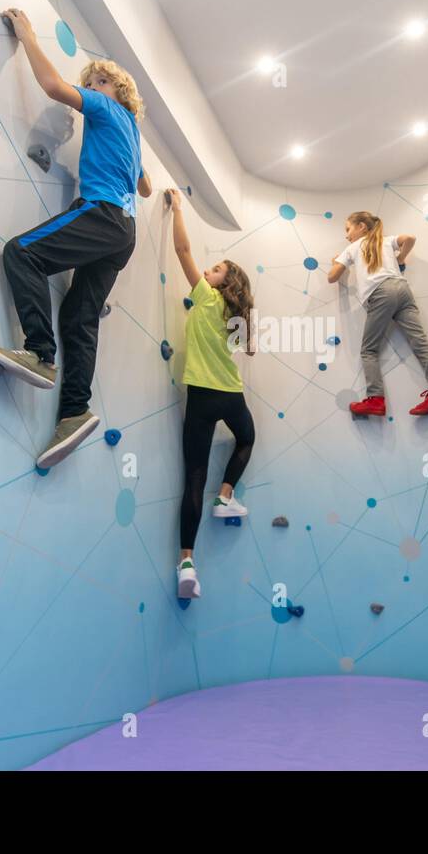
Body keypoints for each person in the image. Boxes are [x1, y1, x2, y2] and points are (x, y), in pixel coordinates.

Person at [0, 7, 152, 468]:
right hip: (124, 233)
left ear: (117, 91)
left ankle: (39, 354)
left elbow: (55, 87)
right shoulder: (132, 130)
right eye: (92, 82)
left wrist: (29, 36)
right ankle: (74, 410)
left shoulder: (105, 107)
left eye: (98, 81)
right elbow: (146, 186)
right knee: (81, 317)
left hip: (101, 214)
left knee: (21, 253)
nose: (91, 87)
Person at [167, 189, 256, 599]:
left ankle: (187, 562)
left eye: (216, 268)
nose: (207, 270)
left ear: (225, 281)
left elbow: (182, 249)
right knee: (247, 438)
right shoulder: (236, 313)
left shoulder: (205, 296)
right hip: (230, 394)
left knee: (192, 479)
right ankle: (226, 496)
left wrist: (180, 208)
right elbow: (247, 348)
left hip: (200, 396)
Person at [328, 211, 428, 418]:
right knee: (420, 343)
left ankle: (375, 399)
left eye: (348, 229)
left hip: (381, 294)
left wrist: (335, 263)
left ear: (361, 227)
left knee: (368, 351)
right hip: (402, 290)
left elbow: (332, 277)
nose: (347, 235)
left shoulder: (351, 248)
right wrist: (400, 258)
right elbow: (410, 238)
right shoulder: (385, 241)